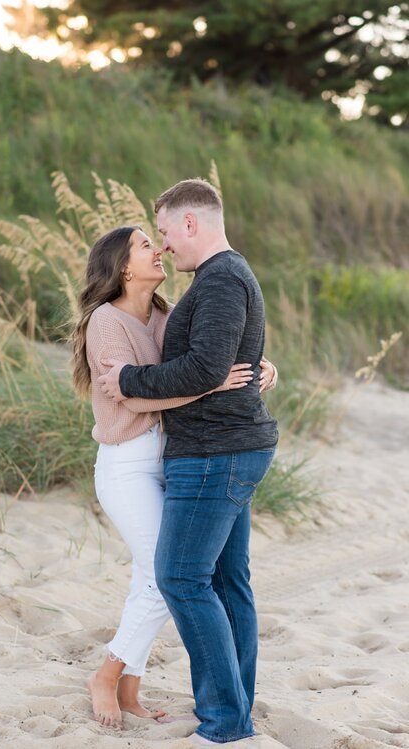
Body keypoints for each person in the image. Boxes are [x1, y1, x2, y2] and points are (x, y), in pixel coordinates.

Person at [97, 179, 279, 745]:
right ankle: (233, 709)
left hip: (214, 453)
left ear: (191, 224)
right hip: (218, 448)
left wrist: (127, 380)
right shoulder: (216, 281)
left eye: (167, 232)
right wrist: (250, 365)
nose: (166, 245)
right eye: (153, 241)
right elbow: (215, 359)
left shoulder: (220, 279)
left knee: (179, 577)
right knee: (226, 581)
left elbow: (205, 368)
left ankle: (225, 723)